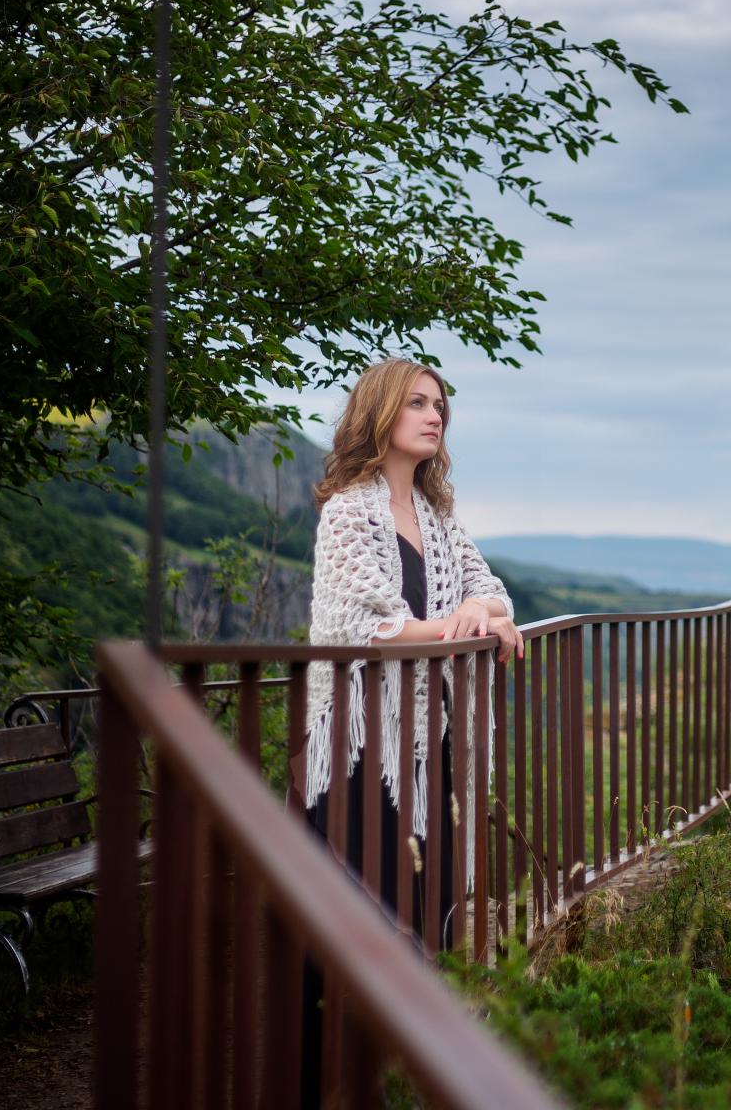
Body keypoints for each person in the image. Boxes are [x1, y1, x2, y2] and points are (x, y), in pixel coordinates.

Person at [300, 358, 523, 1104]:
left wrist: (483, 615)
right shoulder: (346, 514)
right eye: (420, 404)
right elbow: (374, 626)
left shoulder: (437, 518)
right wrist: (456, 622)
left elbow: (492, 594)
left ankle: (422, 1076)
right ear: (383, 413)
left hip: (431, 747)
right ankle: (325, 1082)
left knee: (434, 919)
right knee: (351, 921)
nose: (435, 417)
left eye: (441, 408)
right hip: (366, 748)